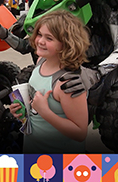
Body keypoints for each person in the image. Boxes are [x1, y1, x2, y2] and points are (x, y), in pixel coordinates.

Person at [9, 10, 90, 153]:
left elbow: (80, 132)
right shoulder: (41, 62)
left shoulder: (67, 82)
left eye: (49, 38)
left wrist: (45, 112)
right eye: (39, 34)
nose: (40, 41)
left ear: (66, 43)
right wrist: (22, 109)